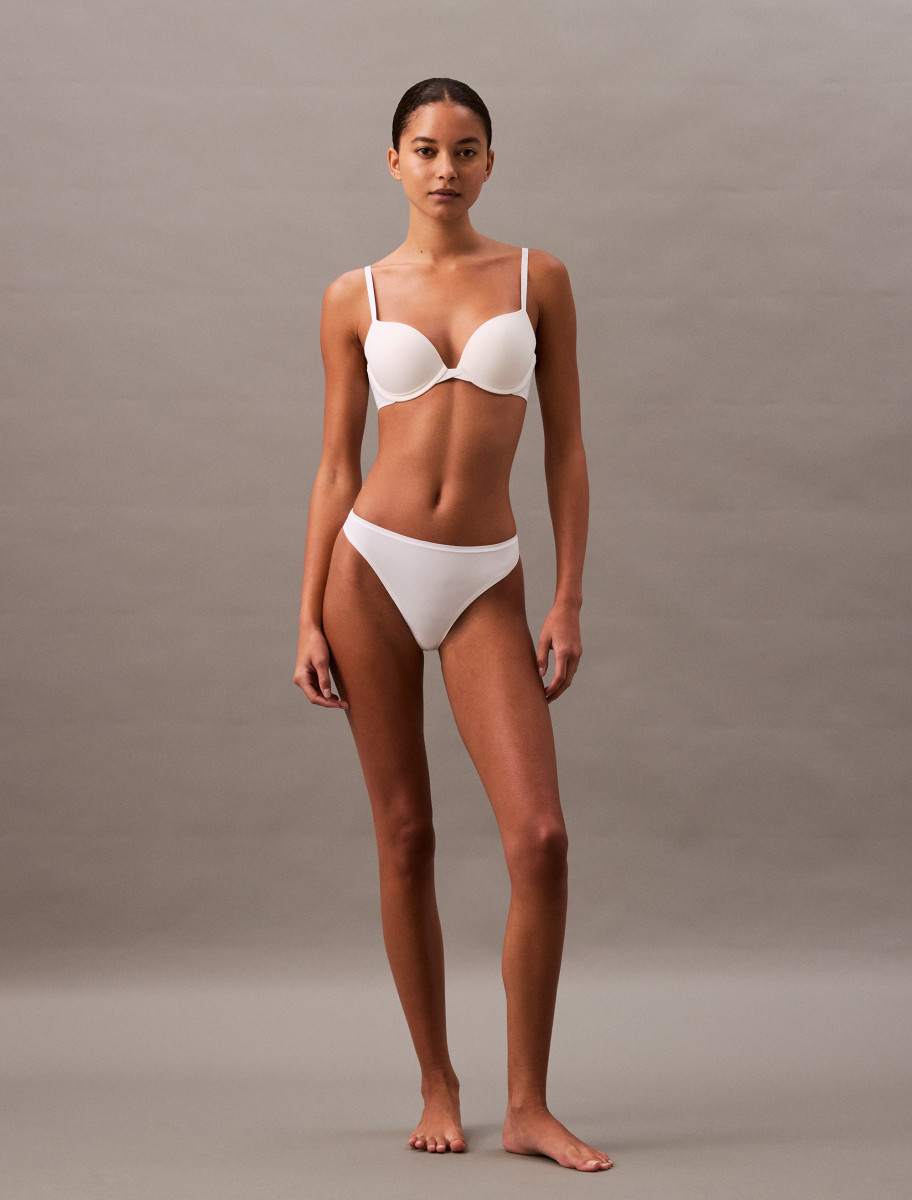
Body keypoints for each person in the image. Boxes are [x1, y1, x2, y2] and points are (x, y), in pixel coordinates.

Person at [294, 78, 612, 1173]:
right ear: (394, 161)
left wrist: (569, 596)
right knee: (405, 835)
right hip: (370, 571)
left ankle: (529, 1106)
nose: (445, 167)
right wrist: (305, 615)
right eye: (425, 149)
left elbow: (567, 450)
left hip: (486, 577)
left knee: (541, 839)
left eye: (466, 149)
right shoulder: (354, 295)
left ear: (489, 162)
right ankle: (438, 1079)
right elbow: (336, 466)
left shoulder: (537, 279)